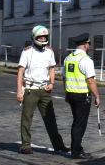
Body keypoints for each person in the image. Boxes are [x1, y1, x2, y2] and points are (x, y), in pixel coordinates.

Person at [17, 25, 67, 155]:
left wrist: (52, 83)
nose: (43, 38)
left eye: (45, 37)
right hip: (30, 89)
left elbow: (51, 68)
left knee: (50, 118)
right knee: (27, 118)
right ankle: (25, 145)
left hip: (45, 90)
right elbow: (20, 71)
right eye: (41, 37)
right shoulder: (27, 52)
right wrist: (19, 91)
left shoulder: (49, 52)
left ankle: (58, 145)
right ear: (34, 38)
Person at [62, 33, 100, 159]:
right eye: (88, 43)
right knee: (80, 123)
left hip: (71, 94)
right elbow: (91, 81)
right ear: (85, 44)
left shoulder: (68, 58)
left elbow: (64, 77)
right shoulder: (86, 60)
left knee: (76, 122)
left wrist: (66, 92)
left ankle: (75, 148)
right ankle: (77, 150)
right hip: (82, 96)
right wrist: (97, 96)